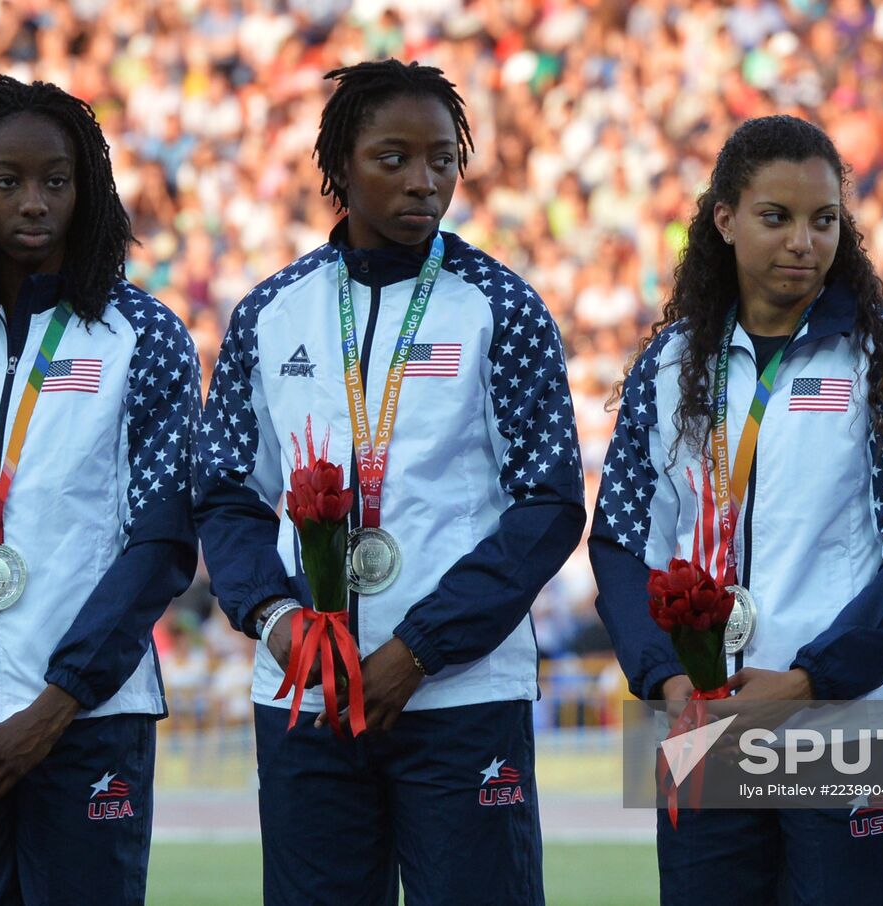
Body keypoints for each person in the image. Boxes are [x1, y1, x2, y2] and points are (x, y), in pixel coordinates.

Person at [194, 59, 584, 906]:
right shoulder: (271, 311)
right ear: (340, 167)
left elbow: (549, 506)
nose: (425, 182)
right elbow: (226, 492)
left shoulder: (502, 308)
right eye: (394, 158)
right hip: (307, 699)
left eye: (443, 159)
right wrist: (278, 620)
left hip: (461, 695)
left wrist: (420, 651)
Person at [590, 115, 883, 905]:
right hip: (704, 728)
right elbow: (622, 540)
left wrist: (806, 681)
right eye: (777, 217)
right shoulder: (670, 362)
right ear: (723, 220)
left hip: (846, 731)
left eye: (824, 220)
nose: (804, 241)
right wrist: (665, 680)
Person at [0, 75, 199, 905]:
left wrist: (55, 708)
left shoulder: (145, 337)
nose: (34, 202)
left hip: (87, 725)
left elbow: (159, 544)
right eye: (6, 181)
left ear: (86, 189)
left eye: (57, 180)